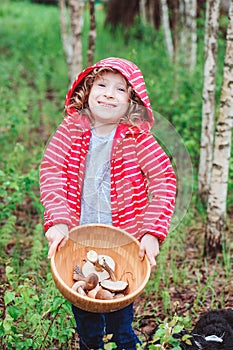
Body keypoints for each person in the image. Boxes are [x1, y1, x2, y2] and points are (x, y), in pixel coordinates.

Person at [40, 57, 176, 350]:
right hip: (78, 237)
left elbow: (164, 181)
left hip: (122, 242)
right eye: (101, 85)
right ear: (87, 91)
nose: (108, 93)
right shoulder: (70, 131)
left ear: (132, 101)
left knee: (120, 324)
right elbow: (52, 170)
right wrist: (58, 221)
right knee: (86, 317)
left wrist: (151, 233)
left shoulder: (138, 138)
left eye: (120, 89)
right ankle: (90, 343)